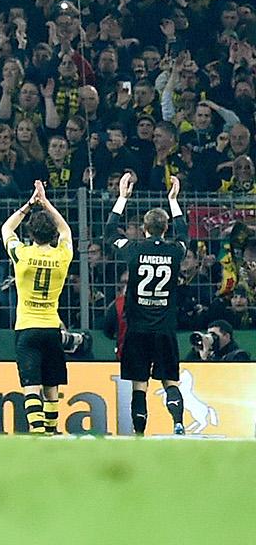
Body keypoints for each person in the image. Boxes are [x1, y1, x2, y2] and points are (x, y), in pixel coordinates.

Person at [107, 171, 187, 436]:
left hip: (138, 330)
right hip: (164, 328)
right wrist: (173, 200)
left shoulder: (133, 249)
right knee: (170, 381)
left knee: (139, 384)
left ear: (144, 228)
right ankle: (178, 424)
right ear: (165, 229)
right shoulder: (175, 250)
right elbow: (185, 234)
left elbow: (109, 232)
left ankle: (140, 434)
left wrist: (122, 197)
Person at [2, 180, 74, 437]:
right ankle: (53, 430)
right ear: (52, 235)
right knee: (52, 382)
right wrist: (46, 204)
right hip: (51, 326)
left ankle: (37, 430)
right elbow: (66, 229)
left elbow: (7, 228)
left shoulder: (21, 254)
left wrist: (29, 205)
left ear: (30, 234)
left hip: (26, 327)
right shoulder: (62, 255)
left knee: (31, 384)